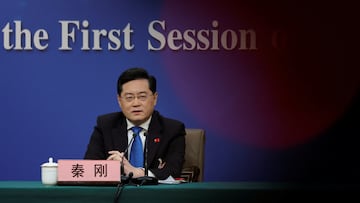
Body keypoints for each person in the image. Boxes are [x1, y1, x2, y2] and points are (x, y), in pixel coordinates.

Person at [84, 67, 186, 180]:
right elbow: (90, 166)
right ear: (119, 100)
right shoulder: (105, 125)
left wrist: (139, 173)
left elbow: (173, 171)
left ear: (155, 98)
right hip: (115, 195)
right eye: (129, 98)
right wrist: (112, 167)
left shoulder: (172, 129)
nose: (136, 103)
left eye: (142, 97)